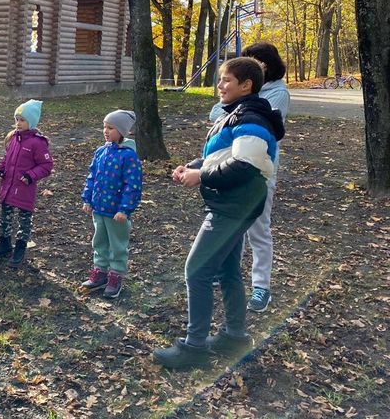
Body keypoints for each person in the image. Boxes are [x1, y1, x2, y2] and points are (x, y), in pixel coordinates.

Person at [154, 57, 285, 370]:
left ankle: (195, 347)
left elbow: (245, 165)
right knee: (226, 270)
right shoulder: (238, 114)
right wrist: (196, 166)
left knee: (197, 270)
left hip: (234, 205)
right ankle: (234, 338)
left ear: (246, 85)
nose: (220, 85)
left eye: (226, 80)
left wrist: (200, 177)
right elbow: (223, 156)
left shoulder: (251, 117)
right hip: (232, 202)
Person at [209, 42, 290, 313]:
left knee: (258, 228)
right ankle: (228, 274)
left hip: (259, 170)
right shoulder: (235, 94)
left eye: (254, 64)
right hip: (229, 166)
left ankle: (261, 287)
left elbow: (257, 118)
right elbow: (215, 113)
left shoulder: (278, 93)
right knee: (232, 226)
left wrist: (233, 110)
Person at [80, 110, 143, 299]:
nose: (105, 131)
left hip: (116, 212)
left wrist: (125, 209)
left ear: (122, 131)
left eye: (111, 127)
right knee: (99, 240)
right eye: (104, 127)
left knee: (117, 243)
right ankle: (100, 271)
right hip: (99, 208)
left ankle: (116, 274)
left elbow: (132, 185)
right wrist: (87, 198)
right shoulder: (101, 151)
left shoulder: (129, 156)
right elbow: (93, 176)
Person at [0, 100, 53, 267]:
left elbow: (46, 166)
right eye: (16, 119)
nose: (18, 123)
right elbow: (7, 159)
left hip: (24, 188)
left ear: (31, 122)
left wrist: (31, 175)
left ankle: (20, 247)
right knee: (5, 217)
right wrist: (1, 170)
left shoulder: (37, 143)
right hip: (8, 186)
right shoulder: (13, 139)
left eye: (22, 120)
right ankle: (4, 243)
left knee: (24, 220)